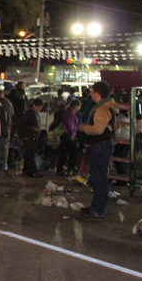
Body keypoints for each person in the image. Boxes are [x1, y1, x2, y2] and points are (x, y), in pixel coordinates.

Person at [77, 81, 117, 218]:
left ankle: (97, 209)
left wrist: (83, 128)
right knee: (99, 177)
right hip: (101, 145)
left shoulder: (102, 109)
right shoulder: (106, 107)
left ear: (97, 93)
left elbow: (98, 129)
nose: (91, 94)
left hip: (100, 146)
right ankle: (97, 207)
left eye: (92, 91)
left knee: (99, 179)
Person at [20, 98, 44, 177]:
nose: (39, 109)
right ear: (34, 105)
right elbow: (24, 125)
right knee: (31, 155)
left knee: (28, 155)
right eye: (39, 107)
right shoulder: (30, 113)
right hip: (30, 136)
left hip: (31, 136)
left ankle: (27, 170)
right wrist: (33, 129)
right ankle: (33, 171)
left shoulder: (33, 113)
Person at [56, 99, 81, 176]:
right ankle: (70, 169)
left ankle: (61, 169)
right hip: (68, 135)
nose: (79, 108)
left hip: (66, 134)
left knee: (64, 152)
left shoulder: (68, 112)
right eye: (79, 106)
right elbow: (70, 124)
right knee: (73, 152)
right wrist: (72, 134)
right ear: (76, 106)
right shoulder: (71, 113)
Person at [0, 89, 14, 170]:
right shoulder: (8, 103)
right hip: (7, 126)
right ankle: (5, 164)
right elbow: (12, 113)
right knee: (5, 145)